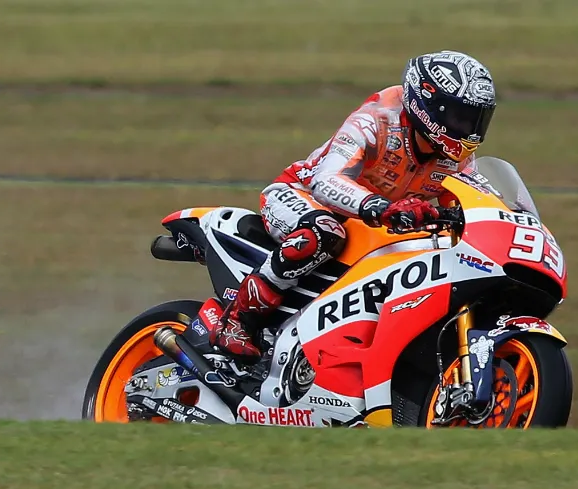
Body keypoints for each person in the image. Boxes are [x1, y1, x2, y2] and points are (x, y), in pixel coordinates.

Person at [212, 50, 497, 359]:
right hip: (300, 195)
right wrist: (380, 207)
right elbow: (325, 178)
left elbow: (478, 201)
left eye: (477, 119)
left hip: (371, 224)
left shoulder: (456, 158)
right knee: (325, 232)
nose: (469, 130)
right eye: (461, 117)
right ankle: (237, 320)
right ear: (428, 104)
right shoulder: (377, 120)